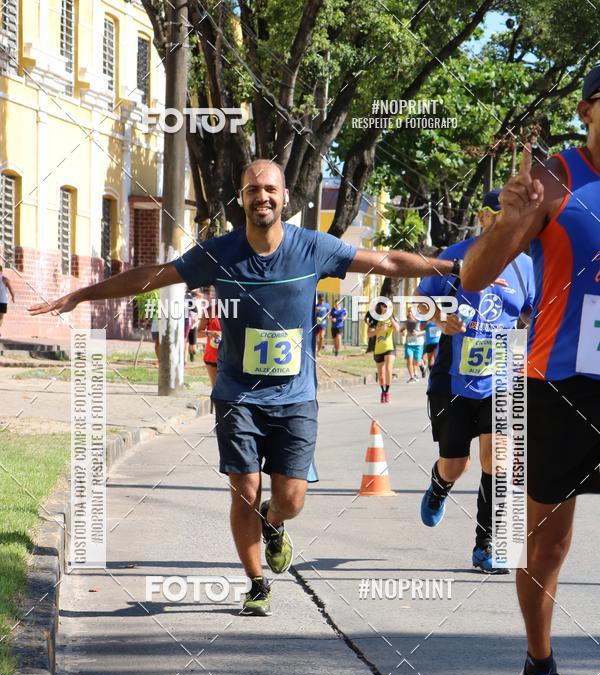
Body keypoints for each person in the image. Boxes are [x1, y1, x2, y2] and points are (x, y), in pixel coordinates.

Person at [30, 158, 459, 617]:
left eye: (270, 189)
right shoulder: (220, 253)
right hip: (238, 395)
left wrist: (455, 266)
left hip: (296, 396)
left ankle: (274, 525)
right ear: (242, 198)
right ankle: (256, 582)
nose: (262, 197)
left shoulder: (312, 248)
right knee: (245, 487)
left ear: (285, 196)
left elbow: (389, 260)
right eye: (253, 190)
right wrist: (83, 293)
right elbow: (155, 275)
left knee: (291, 499)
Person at [460, 67, 600, 675]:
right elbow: (476, 275)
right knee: (548, 546)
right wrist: (513, 220)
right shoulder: (552, 178)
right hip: (561, 383)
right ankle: (540, 669)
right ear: (587, 109)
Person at [417, 188, 535, 575]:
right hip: (452, 380)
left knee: (498, 459)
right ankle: (439, 485)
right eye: (498, 215)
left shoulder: (527, 266)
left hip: (501, 379)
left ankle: (486, 544)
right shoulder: (453, 256)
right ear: (483, 217)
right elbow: (420, 302)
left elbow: (536, 314)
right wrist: (438, 319)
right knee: (456, 464)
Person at [368, 300, 400, 403]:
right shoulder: (374, 319)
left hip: (389, 347)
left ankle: (387, 392)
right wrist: (380, 329)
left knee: (388, 369)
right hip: (378, 349)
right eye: (383, 305)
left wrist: (390, 317)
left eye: (386, 306)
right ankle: (383, 391)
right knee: (381, 374)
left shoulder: (391, 317)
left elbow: (397, 329)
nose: (384, 308)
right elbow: (369, 333)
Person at [199, 296, 221, 388]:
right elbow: (197, 333)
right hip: (213, 357)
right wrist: (210, 333)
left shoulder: (237, 311)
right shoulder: (209, 311)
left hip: (230, 358)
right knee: (216, 388)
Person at [403, 308, 425, 381]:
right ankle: (412, 376)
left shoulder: (420, 321)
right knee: (409, 359)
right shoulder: (406, 322)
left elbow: (426, 331)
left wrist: (418, 333)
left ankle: (422, 365)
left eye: (411, 312)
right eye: (408, 311)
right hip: (408, 344)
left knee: (417, 362)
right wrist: (402, 332)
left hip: (418, 344)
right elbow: (402, 329)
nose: (409, 313)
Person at [0, 265, 15, 336]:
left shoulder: (5, 279)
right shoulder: (5, 279)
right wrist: (13, 297)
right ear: (1, 271)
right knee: (1, 317)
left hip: (3, 300)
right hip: (3, 301)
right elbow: (11, 289)